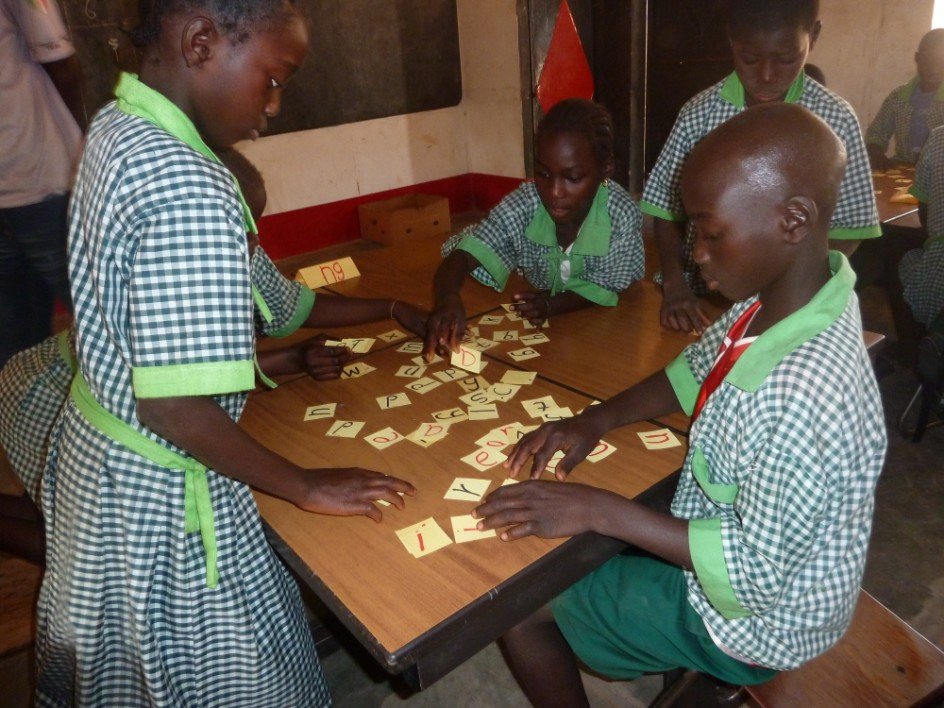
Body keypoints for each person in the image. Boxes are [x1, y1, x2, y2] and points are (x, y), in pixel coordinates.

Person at [34, 2, 417, 705]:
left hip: (104, 475)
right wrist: (304, 484)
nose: (274, 106)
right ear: (202, 42)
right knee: (236, 674)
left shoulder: (117, 128)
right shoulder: (193, 183)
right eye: (274, 78)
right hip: (165, 501)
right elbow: (178, 407)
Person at [471, 103, 887, 706]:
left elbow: (750, 580)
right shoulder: (781, 300)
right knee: (600, 524)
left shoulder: (803, 394)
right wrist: (595, 419)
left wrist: (598, 510)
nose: (695, 254)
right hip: (752, 553)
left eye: (712, 233)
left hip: (756, 626)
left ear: (793, 220)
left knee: (518, 601)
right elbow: (693, 370)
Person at [0, 145, 427, 567]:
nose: (253, 241)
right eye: (237, 227)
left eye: (252, 225)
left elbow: (297, 307)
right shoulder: (149, 276)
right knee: (100, 555)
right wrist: (304, 484)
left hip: (135, 401)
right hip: (51, 391)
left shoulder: (238, 244)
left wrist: (391, 308)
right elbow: (165, 401)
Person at [641, 0, 880, 336]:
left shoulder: (835, 120)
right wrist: (675, 284)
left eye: (786, 58)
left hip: (790, 309)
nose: (767, 76)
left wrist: (787, 287)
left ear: (813, 35)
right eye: (749, 59)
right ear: (731, 40)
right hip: (705, 296)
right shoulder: (699, 114)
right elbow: (664, 211)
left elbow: (851, 228)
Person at [424, 98, 644, 358]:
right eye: (543, 174)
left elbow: (609, 286)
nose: (554, 192)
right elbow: (463, 255)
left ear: (605, 169)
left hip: (610, 317)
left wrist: (553, 304)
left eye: (573, 178)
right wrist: (447, 299)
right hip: (543, 304)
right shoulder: (525, 203)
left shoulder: (621, 215)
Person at [0, 0, 86, 366]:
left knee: (15, 341)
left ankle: (21, 420)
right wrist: (88, 135)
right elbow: (60, 61)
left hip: (16, 179)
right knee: (101, 319)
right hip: (39, 172)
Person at [866, 28, 944, 170]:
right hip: (902, 167)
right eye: (928, 60)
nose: (934, 68)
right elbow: (876, 133)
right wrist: (876, 154)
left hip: (938, 175)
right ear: (917, 58)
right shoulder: (898, 96)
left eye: (941, 61)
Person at [899, 125, 944, 329]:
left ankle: (909, 351)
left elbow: (924, 213)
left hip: (937, 277)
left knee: (899, 255)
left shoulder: (939, 137)